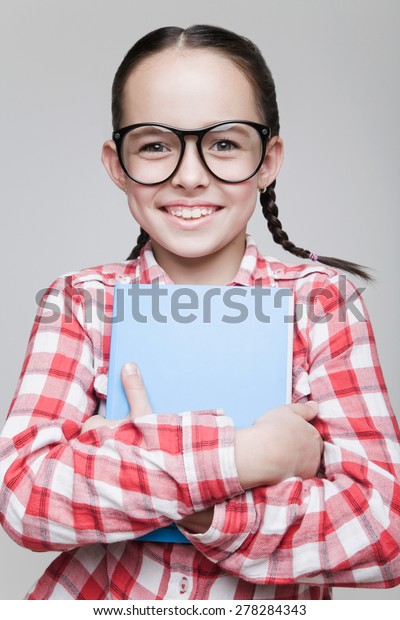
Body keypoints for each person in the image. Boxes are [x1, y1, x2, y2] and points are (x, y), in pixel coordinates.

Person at [0, 24, 399, 601]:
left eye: (225, 143)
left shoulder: (323, 302)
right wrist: (243, 458)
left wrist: (177, 496)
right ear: (117, 164)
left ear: (268, 160)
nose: (190, 175)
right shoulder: (80, 302)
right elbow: (23, 496)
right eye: (157, 144)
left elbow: (380, 524)